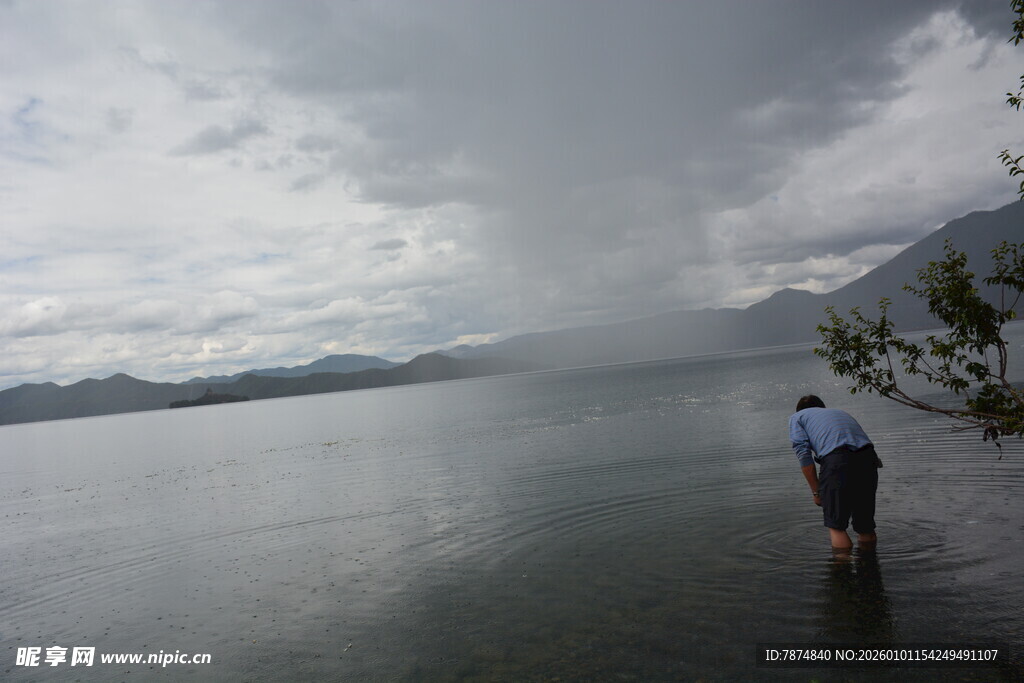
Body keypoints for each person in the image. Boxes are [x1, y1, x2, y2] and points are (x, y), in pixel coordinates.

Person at [788, 395, 881, 551]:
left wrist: (817, 493)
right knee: (865, 525)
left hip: (837, 459)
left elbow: (804, 455)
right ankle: (869, 566)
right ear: (822, 407)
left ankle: (841, 570)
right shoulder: (840, 413)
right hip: (868, 457)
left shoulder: (797, 417)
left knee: (836, 525)